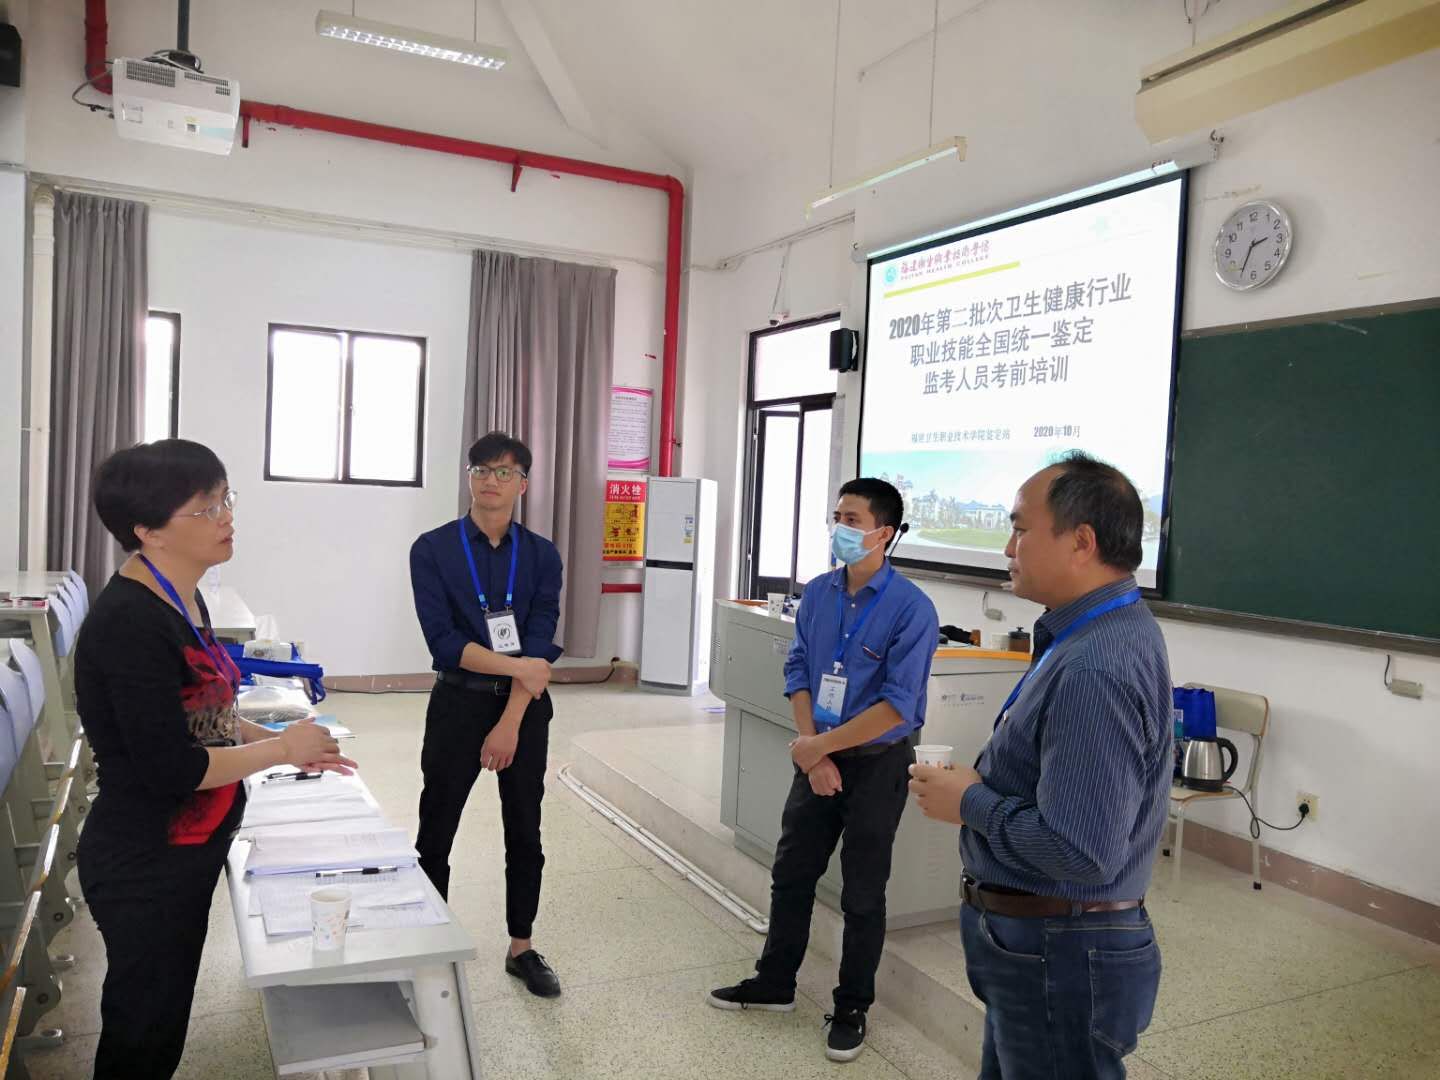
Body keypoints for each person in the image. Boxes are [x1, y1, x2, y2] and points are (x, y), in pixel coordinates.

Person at [75, 439, 355, 1079]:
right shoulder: (129, 624)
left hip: (187, 848)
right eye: (206, 508)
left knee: (163, 1017)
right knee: (143, 1034)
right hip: (146, 859)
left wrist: (281, 737)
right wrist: (279, 749)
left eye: (226, 499)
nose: (226, 518)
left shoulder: (182, 594)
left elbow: (206, 715)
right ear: (147, 530)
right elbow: (172, 766)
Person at [908, 451, 1172, 1079]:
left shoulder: (1095, 665)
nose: (1007, 548)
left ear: (1081, 542)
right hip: (1046, 944)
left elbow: (1081, 851)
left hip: (1063, 949)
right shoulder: (1089, 634)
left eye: (1021, 529)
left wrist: (969, 802)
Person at [709, 478, 939, 1063]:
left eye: (852, 519)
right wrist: (814, 750)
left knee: (863, 891)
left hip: (877, 764)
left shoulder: (912, 608)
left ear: (884, 533)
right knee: (792, 873)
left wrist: (819, 749)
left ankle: (852, 1006)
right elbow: (799, 669)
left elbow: (899, 706)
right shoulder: (818, 592)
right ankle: (775, 982)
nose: (840, 528)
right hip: (818, 756)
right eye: (837, 516)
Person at [409, 431, 564, 998]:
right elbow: (444, 642)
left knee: (525, 828)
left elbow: (540, 644)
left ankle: (522, 946)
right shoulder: (432, 549)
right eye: (481, 469)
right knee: (437, 824)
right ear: (469, 477)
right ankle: (430, 941)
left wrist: (511, 719)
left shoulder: (542, 555)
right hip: (457, 702)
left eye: (504, 472)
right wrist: (517, 667)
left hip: (523, 709)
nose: (491, 480)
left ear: (523, 484)